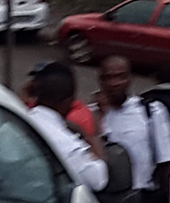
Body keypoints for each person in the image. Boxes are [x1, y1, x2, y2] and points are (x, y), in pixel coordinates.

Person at [93, 55, 170, 203]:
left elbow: (167, 164)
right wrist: (100, 115)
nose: (115, 83)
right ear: (100, 80)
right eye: (109, 77)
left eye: (120, 77)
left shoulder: (150, 111)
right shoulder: (91, 115)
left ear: (130, 79)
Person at [21, 61, 108, 192]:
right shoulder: (68, 145)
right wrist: (92, 137)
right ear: (68, 102)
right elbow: (98, 180)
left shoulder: (14, 125)